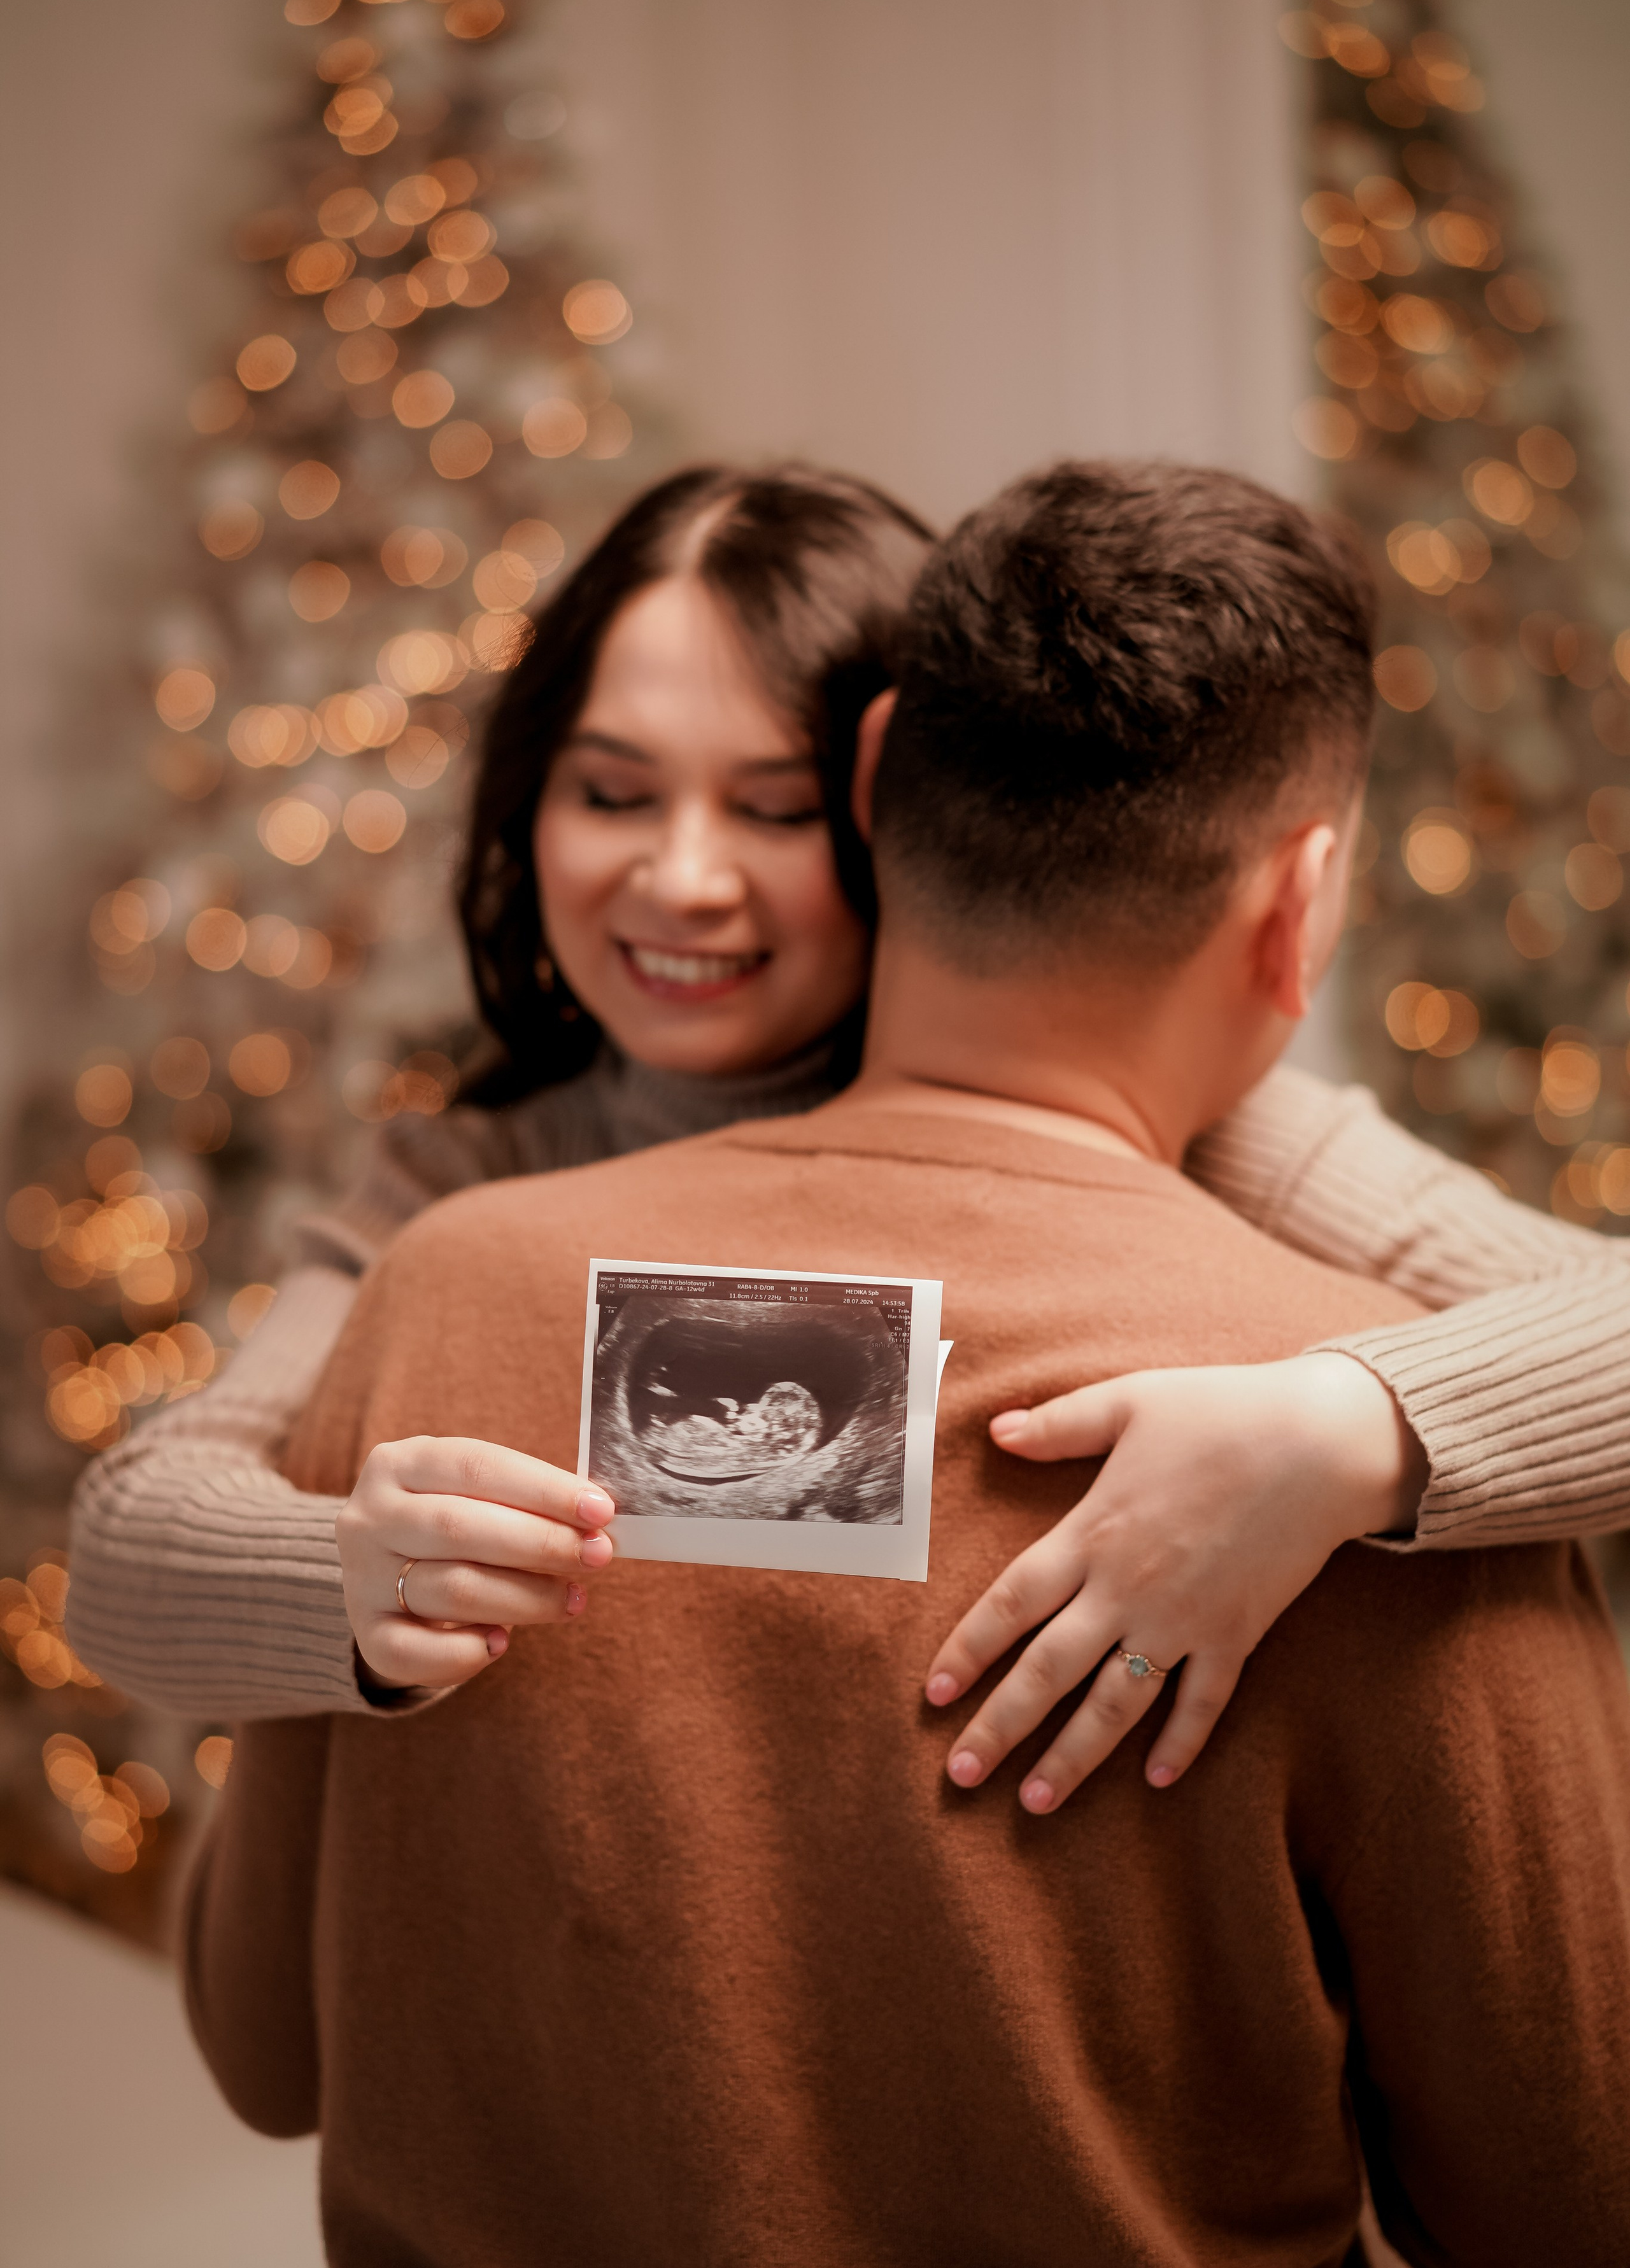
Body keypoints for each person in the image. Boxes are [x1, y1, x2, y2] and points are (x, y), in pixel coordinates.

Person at [191, 461, 1630, 2268]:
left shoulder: (437, 1294)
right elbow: (1575, 2219)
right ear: (1305, 900)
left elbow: (260, 2047)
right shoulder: (1397, 1447)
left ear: (870, 790)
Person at [67, 463, 1630, 1804]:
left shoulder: (1186, 1120)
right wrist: (352, 1574)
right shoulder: (458, 1184)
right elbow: (130, 1546)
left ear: (889, 794)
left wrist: (1347, 1433)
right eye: (613, 794)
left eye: (771, 808)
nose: (681, 879)